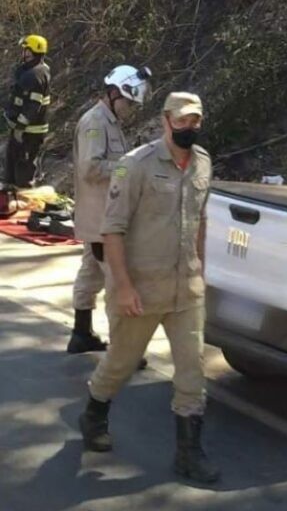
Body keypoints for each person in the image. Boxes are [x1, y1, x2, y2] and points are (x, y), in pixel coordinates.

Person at [78, 91, 218, 483]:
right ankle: (93, 414)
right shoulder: (134, 166)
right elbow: (112, 230)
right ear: (165, 120)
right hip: (140, 289)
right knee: (120, 364)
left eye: (196, 120)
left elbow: (202, 220)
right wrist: (122, 286)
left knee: (192, 372)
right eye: (183, 119)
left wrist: (200, 271)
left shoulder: (203, 163)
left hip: (185, 290)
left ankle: (189, 454)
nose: (190, 126)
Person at [69, 65, 151, 356]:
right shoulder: (95, 123)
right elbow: (91, 168)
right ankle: (122, 351)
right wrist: (128, 166)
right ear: (114, 93)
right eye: (129, 102)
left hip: (100, 217)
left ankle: (81, 333)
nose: (130, 109)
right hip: (102, 219)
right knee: (118, 281)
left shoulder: (110, 122)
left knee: (90, 273)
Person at [4, 35, 52, 188]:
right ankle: (10, 204)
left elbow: (32, 106)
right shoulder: (31, 71)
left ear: (33, 51)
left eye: (26, 50)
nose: (23, 53)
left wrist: (19, 128)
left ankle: (26, 206)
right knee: (10, 172)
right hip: (22, 131)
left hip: (29, 134)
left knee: (23, 174)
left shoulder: (36, 75)